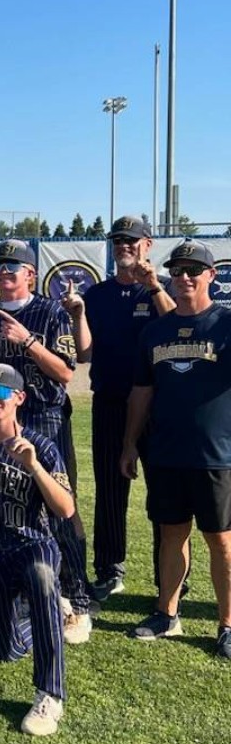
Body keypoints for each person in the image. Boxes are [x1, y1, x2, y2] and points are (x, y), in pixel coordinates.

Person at [0, 239, 92, 644]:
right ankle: (14, 588)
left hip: (43, 414)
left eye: (14, 266)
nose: (5, 272)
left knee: (59, 505)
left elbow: (64, 372)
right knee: (0, 501)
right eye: (0, 265)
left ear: (31, 274)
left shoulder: (52, 312)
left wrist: (26, 341)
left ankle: (76, 597)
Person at [122, 240, 231, 660]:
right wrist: (130, 443)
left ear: (211, 275)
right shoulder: (155, 332)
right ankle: (167, 612)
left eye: (194, 269)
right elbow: (141, 392)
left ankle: (226, 623)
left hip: (216, 454)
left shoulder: (225, 325)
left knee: (220, 541)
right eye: (178, 269)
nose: (185, 276)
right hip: (166, 451)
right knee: (171, 534)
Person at [0, 364, 76, 736]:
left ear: (20, 399)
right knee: (4, 651)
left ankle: (50, 694)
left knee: (42, 576)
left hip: (30, 545)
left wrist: (34, 467)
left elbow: (65, 508)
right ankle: (47, 612)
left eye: (4, 392)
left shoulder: (41, 445)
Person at [67, 215, 174, 598]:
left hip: (158, 407)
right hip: (111, 402)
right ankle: (110, 569)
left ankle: (170, 575)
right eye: (118, 242)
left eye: (131, 241)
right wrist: (79, 314)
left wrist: (155, 286)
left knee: (164, 493)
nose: (124, 247)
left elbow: (177, 326)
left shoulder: (161, 290)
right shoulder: (97, 294)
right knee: (111, 490)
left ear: (148, 245)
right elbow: (84, 353)